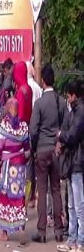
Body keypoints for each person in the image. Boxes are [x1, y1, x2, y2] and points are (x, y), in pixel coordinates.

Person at [29, 64, 66, 243]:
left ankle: (42, 231)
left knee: (42, 191)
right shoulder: (61, 102)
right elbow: (65, 127)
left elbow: (33, 130)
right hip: (56, 151)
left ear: (42, 81)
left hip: (42, 150)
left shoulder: (39, 103)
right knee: (56, 189)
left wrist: (34, 148)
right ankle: (59, 230)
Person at [0, 98, 31, 243]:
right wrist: (22, 161)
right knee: (19, 198)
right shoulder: (24, 126)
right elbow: (27, 151)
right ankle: (21, 229)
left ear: (7, 109)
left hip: (6, 169)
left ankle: (5, 233)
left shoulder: (3, 127)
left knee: (4, 198)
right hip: (19, 169)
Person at [56, 80, 84, 252]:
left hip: (78, 162)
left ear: (74, 95)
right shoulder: (74, 110)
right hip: (73, 162)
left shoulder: (80, 111)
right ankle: (73, 239)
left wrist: (61, 135)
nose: (67, 97)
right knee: (72, 205)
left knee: (79, 204)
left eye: (69, 94)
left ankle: (80, 240)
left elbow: (72, 135)